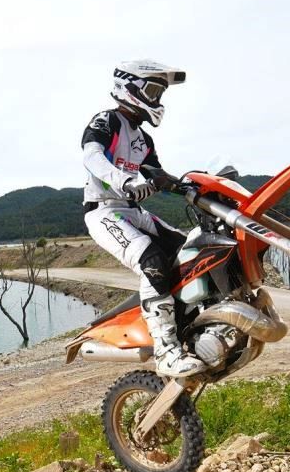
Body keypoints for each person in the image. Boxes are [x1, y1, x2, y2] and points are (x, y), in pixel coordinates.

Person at [80, 60, 204, 378]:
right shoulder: (107, 120)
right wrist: (124, 180)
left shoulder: (144, 140)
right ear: (129, 87)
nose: (157, 99)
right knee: (152, 261)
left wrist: (191, 188)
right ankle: (166, 351)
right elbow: (92, 156)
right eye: (152, 90)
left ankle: (194, 325)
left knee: (190, 251)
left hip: (133, 210)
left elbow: (156, 174)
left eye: (160, 93)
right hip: (104, 210)